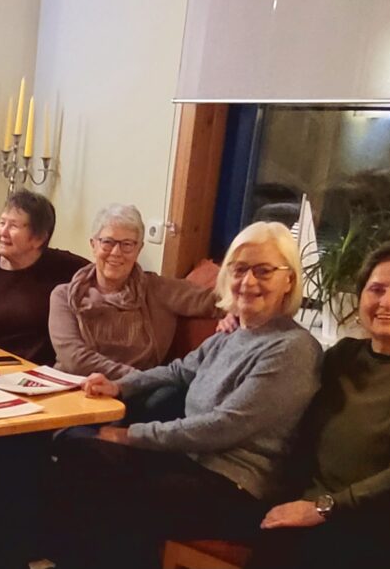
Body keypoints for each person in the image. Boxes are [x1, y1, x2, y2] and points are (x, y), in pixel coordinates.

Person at [45, 221, 324, 569]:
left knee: (112, 493)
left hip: (235, 487)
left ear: (289, 280)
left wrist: (132, 435)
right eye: (239, 269)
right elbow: (179, 370)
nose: (248, 281)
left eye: (263, 271)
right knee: (76, 451)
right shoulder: (234, 333)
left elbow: (223, 426)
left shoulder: (292, 349)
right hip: (191, 462)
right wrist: (121, 386)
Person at [250, 242, 390, 569]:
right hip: (322, 516)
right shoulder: (343, 356)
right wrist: (242, 324)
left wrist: (321, 509)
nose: (388, 302)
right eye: (377, 289)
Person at [49, 203, 218, 378]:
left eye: (127, 244)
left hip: (131, 394)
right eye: (107, 242)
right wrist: (139, 378)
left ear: (139, 249)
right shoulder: (64, 296)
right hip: (72, 387)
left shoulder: (159, 289)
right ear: (93, 245)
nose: (116, 252)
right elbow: (74, 359)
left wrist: (232, 313)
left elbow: (218, 301)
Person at [0, 190, 88, 364]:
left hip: (42, 374)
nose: (3, 232)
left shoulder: (66, 268)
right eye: (2, 223)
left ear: (39, 238)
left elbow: (100, 277)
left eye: (14, 226)